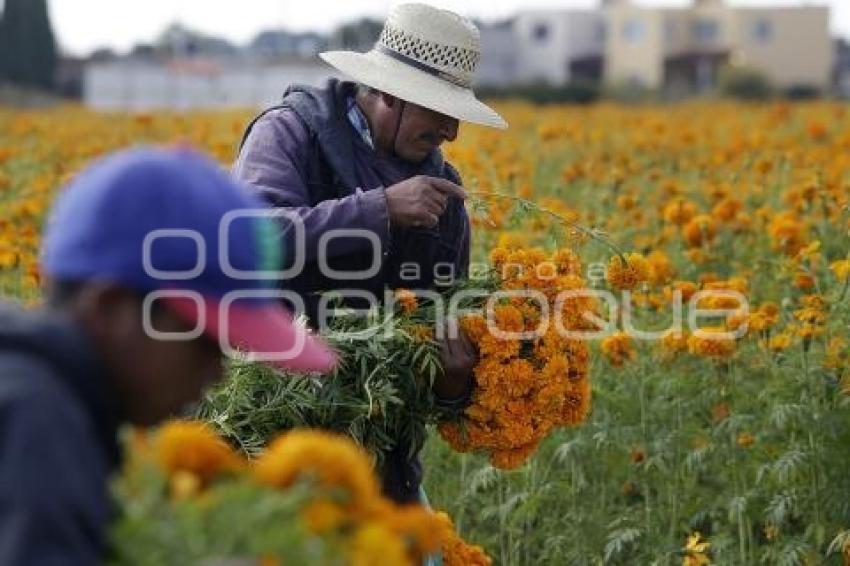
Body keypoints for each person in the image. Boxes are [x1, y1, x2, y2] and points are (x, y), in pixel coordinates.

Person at [0, 148, 337, 564]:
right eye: (205, 344)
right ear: (111, 307)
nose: (217, 373)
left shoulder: (39, 395)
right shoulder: (40, 429)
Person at [233, 3, 507, 504]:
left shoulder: (445, 195)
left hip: (381, 468)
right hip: (269, 437)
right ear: (389, 92)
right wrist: (378, 209)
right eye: (440, 111)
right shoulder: (290, 134)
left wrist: (453, 383)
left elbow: (440, 329)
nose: (451, 132)